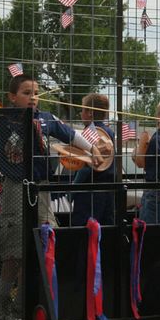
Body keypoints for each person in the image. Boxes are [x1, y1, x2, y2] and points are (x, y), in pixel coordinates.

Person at [0, 48, 101, 320]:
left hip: (40, 189)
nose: (33, 97)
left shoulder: (47, 119)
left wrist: (93, 149)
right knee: (15, 248)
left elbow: (72, 134)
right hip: (17, 187)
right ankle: (0, 301)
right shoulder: (6, 116)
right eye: (26, 92)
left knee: (45, 242)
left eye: (36, 92)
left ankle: (22, 305)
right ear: (12, 97)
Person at [71, 93, 116, 226]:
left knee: (85, 232)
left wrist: (73, 190)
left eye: (83, 109)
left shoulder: (89, 133)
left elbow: (86, 167)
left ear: (90, 112)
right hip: (108, 189)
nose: (81, 113)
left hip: (89, 191)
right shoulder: (109, 132)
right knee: (106, 230)